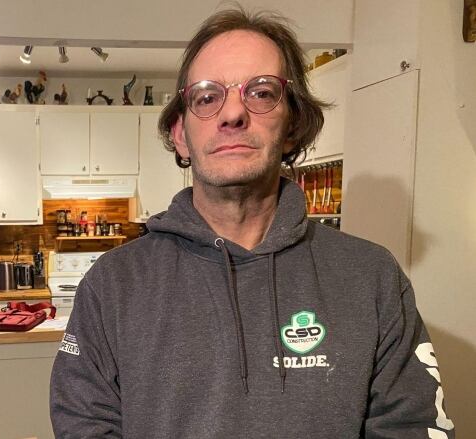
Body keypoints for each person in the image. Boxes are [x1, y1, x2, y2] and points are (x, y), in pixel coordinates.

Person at [49, 7, 455, 438]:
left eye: (260, 93)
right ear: (181, 135)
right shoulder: (112, 284)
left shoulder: (371, 277)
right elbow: (84, 425)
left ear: (294, 124)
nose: (232, 114)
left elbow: (412, 427)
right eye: (207, 97)